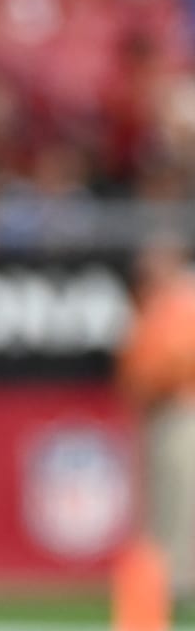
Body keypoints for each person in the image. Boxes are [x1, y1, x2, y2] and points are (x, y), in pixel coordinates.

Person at [117, 235, 195, 610]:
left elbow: (175, 362)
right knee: (160, 502)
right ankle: (162, 581)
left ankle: (181, 582)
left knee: (183, 497)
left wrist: (152, 381)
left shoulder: (184, 304)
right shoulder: (153, 304)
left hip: (182, 409)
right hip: (157, 412)